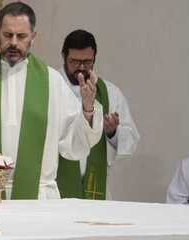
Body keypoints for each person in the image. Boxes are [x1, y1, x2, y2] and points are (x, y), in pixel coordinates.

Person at [0, 2, 104, 199]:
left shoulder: (51, 81)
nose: (14, 42)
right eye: (7, 35)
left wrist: (87, 108)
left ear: (33, 37)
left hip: (38, 199)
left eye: (21, 36)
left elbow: (74, 145)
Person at [55, 29, 140, 199]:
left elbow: (131, 140)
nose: (81, 68)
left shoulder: (109, 92)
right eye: (74, 62)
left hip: (96, 189)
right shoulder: (50, 86)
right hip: (56, 190)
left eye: (87, 62)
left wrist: (113, 132)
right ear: (64, 56)